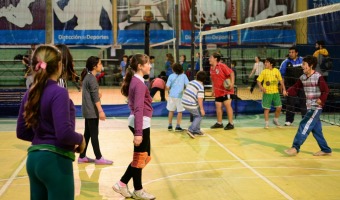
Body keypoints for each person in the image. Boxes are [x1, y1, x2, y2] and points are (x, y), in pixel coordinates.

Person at [16, 45, 86, 199]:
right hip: (55, 161)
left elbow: (21, 132)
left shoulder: (30, 92)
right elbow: (64, 133)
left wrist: (41, 139)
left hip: (33, 160)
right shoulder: (59, 92)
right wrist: (80, 139)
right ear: (59, 65)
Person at [112, 54, 156, 200]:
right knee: (140, 157)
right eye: (147, 63)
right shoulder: (138, 84)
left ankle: (123, 183)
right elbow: (138, 108)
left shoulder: (138, 82)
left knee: (144, 157)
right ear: (140, 66)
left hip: (142, 122)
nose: (150, 65)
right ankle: (135, 188)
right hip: (140, 123)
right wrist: (138, 133)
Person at [284, 55, 331, 156]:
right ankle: (326, 149)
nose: (302, 66)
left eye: (304, 64)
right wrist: (288, 92)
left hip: (316, 107)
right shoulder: (303, 77)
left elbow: (326, 90)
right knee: (316, 130)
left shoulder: (318, 77)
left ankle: (295, 147)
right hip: (309, 106)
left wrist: (321, 99)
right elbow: (296, 87)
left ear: (311, 65)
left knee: (304, 124)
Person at [79, 56, 113, 165]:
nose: (101, 65)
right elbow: (94, 97)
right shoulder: (92, 78)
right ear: (95, 66)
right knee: (94, 134)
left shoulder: (88, 77)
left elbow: (91, 94)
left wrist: (97, 94)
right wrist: (101, 111)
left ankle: (82, 156)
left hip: (88, 110)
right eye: (100, 63)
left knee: (88, 134)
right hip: (92, 112)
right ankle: (98, 157)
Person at [279, 46, 306, 126]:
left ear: (296, 53)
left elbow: (308, 71)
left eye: (292, 52)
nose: (290, 54)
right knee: (290, 103)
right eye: (289, 52)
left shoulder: (303, 60)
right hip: (290, 86)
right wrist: (283, 89)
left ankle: (305, 120)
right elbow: (281, 77)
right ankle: (289, 120)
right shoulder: (285, 62)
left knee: (304, 103)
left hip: (302, 86)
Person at [257, 57, 287, 128]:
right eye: (265, 62)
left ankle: (275, 119)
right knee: (267, 108)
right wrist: (261, 88)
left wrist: (284, 90)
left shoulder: (276, 71)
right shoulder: (264, 71)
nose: (265, 63)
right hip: (267, 93)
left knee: (279, 107)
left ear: (271, 64)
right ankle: (266, 123)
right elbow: (258, 81)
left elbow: (281, 81)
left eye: (267, 62)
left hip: (275, 92)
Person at [209, 52, 235, 130]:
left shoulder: (222, 66)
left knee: (227, 105)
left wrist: (232, 83)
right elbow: (213, 80)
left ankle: (231, 123)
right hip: (218, 91)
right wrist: (213, 90)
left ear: (215, 59)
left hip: (226, 90)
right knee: (218, 105)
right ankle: (219, 123)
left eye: (211, 57)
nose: (209, 59)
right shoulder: (211, 68)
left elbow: (232, 73)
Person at [182, 71, 207, 138]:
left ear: (196, 76)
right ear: (204, 79)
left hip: (184, 102)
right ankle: (191, 129)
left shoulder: (191, 82)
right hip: (190, 104)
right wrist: (202, 109)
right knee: (199, 116)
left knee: (198, 114)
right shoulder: (201, 87)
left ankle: (197, 130)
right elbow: (200, 99)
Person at [166, 63, 189, 131]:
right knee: (180, 111)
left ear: (173, 69)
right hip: (180, 96)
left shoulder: (171, 76)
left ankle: (170, 125)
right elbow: (188, 84)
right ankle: (178, 126)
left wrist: (169, 90)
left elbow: (167, 87)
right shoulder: (184, 76)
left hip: (171, 95)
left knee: (171, 110)